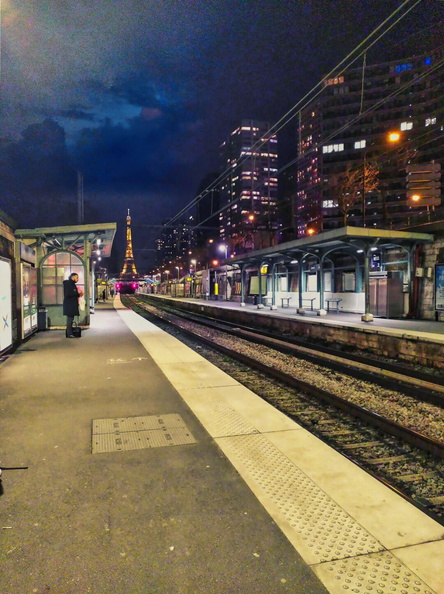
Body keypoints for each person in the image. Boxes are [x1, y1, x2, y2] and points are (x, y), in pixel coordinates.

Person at [63, 273, 83, 338]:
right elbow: (67, 294)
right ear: (73, 277)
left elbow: (72, 293)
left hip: (71, 304)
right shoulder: (68, 284)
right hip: (69, 305)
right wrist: (77, 292)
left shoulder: (72, 284)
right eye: (77, 277)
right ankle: (69, 333)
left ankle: (70, 332)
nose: (77, 279)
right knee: (70, 319)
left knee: (71, 318)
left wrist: (79, 294)